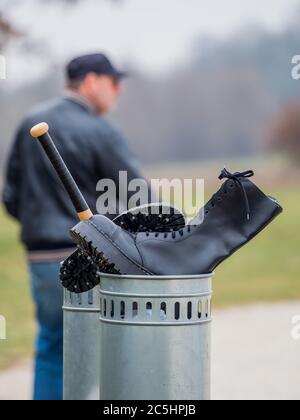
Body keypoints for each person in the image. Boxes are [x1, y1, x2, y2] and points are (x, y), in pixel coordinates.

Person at [2, 53, 150, 400]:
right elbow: (140, 201)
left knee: (53, 345)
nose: (118, 91)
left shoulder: (29, 122)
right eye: (113, 83)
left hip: (40, 258)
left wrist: (40, 224)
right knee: (103, 348)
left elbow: (10, 197)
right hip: (90, 260)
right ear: (90, 82)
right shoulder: (100, 130)